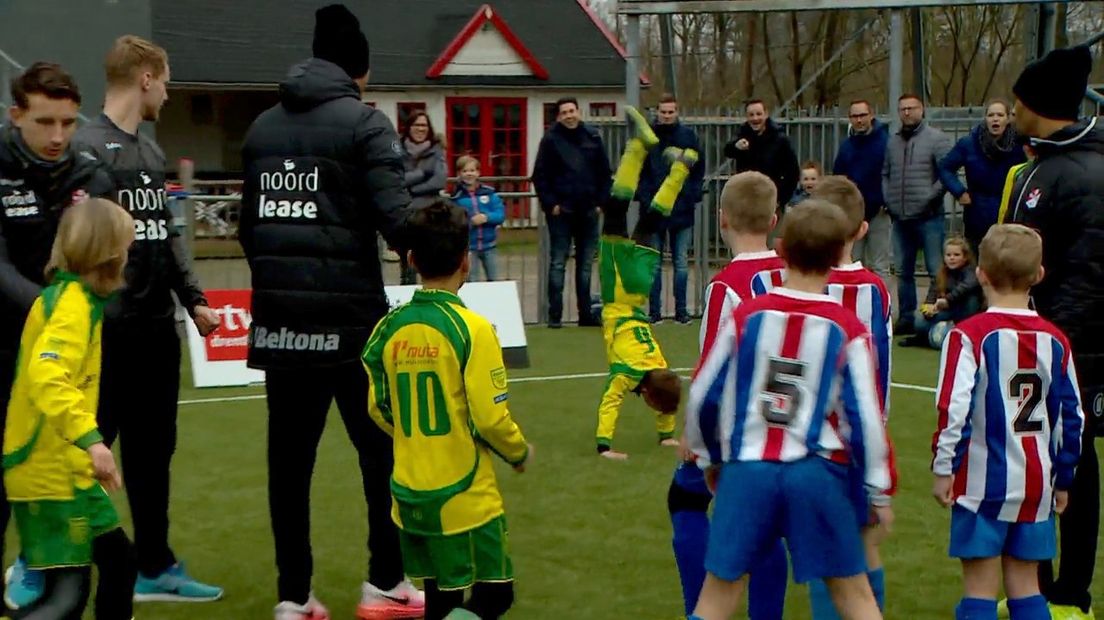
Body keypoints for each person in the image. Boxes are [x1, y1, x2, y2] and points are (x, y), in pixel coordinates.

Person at [238, 5, 423, 619]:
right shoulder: (366, 125)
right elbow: (400, 222)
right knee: (383, 456)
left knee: (288, 469)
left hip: (280, 323)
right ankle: (386, 583)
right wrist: (443, 245)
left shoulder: (260, 128)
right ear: (361, 70)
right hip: (352, 326)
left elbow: (247, 228)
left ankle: (294, 597)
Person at [68, 35, 223, 603]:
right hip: (108, 334)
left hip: (159, 332)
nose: (171, 88)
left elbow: (167, 235)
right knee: (86, 453)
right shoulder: (85, 149)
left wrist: (195, 299)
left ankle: (154, 565)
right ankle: (44, 559)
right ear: (146, 79)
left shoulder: (152, 154)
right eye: (167, 77)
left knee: (155, 455)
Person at [686, 199, 893, 620]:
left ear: (780, 247)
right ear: (838, 256)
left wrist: (708, 455)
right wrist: (877, 489)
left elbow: (704, 393)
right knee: (853, 594)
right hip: (817, 472)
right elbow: (865, 418)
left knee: (718, 594)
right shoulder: (846, 327)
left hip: (748, 468)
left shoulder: (747, 316)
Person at [362, 199, 531, 620]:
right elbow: (490, 417)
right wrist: (518, 451)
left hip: (408, 490)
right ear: (466, 261)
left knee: (440, 598)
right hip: (465, 493)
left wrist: (414, 438)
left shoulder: (388, 328)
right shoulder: (473, 328)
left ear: (412, 259)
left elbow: (378, 408)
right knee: (496, 595)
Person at [0, 62, 115, 607]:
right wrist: (57, 310)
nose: (58, 137)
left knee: (72, 492)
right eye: (44, 122)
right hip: (11, 352)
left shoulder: (90, 174)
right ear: (15, 114)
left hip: (67, 357)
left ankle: (48, 576)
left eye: (68, 123)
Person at [931, 224, 1085, 620]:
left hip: (982, 483)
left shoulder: (968, 336)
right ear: (1039, 275)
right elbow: (1073, 417)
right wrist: (1064, 476)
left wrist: (944, 467)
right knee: (1027, 589)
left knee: (979, 593)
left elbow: (953, 408)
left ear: (980, 273)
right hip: (1035, 483)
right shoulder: (1055, 339)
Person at [1007, 45, 1104, 620]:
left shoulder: (1086, 173)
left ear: (1036, 103)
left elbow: (1093, 271)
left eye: (1018, 99)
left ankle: (1072, 592)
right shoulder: (1041, 164)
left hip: (1073, 347)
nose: (1011, 108)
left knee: (1076, 460)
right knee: (1034, 458)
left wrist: (1050, 339)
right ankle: (1034, 589)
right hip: (1036, 339)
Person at [4, 198, 136, 620]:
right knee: (67, 597)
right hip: (51, 471)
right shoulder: (71, 307)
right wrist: (92, 441)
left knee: (119, 560)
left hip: (67, 468)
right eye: (127, 245)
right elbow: (48, 377)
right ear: (111, 252)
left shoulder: (71, 299)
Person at [673, 170, 788, 620]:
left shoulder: (727, 286)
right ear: (774, 218)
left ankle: (698, 608)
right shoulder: (792, 272)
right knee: (767, 528)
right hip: (786, 421)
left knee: (685, 499)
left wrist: (692, 431)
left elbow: (711, 364)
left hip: (737, 426)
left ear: (721, 220)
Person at [810, 176, 897, 620]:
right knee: (865, 544)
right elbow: (881, 365)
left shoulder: (801, 285)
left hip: (812, 443)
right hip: (866, 436)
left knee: (824, 551)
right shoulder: (876, 289)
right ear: (862, 230)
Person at [594, 107, 685, 460]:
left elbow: (666, 397)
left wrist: (667, 435)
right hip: (619, 292)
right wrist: (604, 446)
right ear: (647, 396)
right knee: (615, 210)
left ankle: (680, 168)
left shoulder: (659, 363)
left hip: (641, 290)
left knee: (650, 222)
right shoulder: (629, 371)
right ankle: (639, 147)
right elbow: (610, 401)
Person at [532, 97, 611, 328]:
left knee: (585, 266)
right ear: (558, 116)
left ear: (578, 111)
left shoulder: (593, 137)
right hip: (561, 213)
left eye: (572, 110)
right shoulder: (550, 140)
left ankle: (585, 315)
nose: (569, 115)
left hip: (588, 211)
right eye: (564, 112)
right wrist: (551, 205)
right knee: (558, 263)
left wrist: (600, 203)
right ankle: (554, 316)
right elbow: (540, 176)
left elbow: (605, 174)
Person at [882, 94, 952, 335]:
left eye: (912, 108)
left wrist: (927, 198)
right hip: (900, 217)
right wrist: (889, 199)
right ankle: (907, 317)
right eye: (903, 109)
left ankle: (934, 315)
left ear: (922, 109)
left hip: (929, 217)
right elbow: (885, 173)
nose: (907, 113)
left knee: (936, 269)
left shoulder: (937, 139)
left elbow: (947, 174)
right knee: (903, 271)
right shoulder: (892, 142)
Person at [634, 94, 704, 325]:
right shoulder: (648, 137)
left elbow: (698, 170)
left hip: (681, 210)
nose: (666, 115)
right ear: (657, 112)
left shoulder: (688, 136)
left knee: (681, 263)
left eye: (670, 111)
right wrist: (647, 200)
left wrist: (690, 196)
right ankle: (654, 313)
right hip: (654, 210)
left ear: (677, 112)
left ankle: (681, 313)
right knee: (653, 263)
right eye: (662, 111)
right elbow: (640, 171)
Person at [937, 99, 1026, 252]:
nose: (995, 119)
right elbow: (945, 168)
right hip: (977, 212)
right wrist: (959, 192)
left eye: (1000, 115)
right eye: (991, 115)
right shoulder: (969, 143)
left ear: (1008, 118)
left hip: (1009, 212)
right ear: (985, 118)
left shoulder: (1020, 143)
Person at [833, 100, 891, 281]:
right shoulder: (846, 147)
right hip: (853, 214)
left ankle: (883, 307)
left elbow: (893, 174)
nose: (859, 120)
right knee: (850, 263)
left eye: (862, 115)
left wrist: (887, 201)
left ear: (871, 115)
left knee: (880, 265)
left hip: (879, 212)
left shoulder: (886, 143)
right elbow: (839, 179)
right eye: (854, 116)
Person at [723, 100, 799, 230]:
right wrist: (736, 146)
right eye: (751, 115)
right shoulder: (742, 135)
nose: (755, 118)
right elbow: (727, 150)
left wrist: (780, 199)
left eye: (758, 114)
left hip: (771, 202)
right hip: (746, 201)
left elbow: (793, 173)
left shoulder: (780, 140)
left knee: (770, 243)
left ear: (766, 114)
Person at [901, 237, 983, 349]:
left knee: (972, 300)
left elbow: (967, 286)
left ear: (965, 257)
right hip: (948, 311)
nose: (952, 258)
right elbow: (932, 293)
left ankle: (965, 334)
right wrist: (928, 308)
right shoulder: (941, 273)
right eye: (948, 255)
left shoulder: (971, 271)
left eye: (956, 255)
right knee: (919, 323)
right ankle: (926, 338)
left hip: (964, 311)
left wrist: (947, 300)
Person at [398, 111, 447, 285]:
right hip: (407, 214)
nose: (420, 129)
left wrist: (412, 187)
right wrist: (422, 173)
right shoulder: (398, 150)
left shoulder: (437, 150)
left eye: (424, 125)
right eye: (416, 125)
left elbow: (439, 181)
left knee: (433, 263)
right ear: (409, 127)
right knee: (408, 265)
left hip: (431, 213)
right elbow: (397, 179)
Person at [451, 156, 504, 282]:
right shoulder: (456, 198)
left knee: (494, 280)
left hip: (490, 246)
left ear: (478, 172)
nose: (469, 174)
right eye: (465, 171)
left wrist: (486, 217)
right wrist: (470, 222)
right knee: (472, 281)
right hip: (468, 248)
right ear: (459, 174)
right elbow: (454, 221)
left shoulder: (490, 194)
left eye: (472, 170)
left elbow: (500, 214)